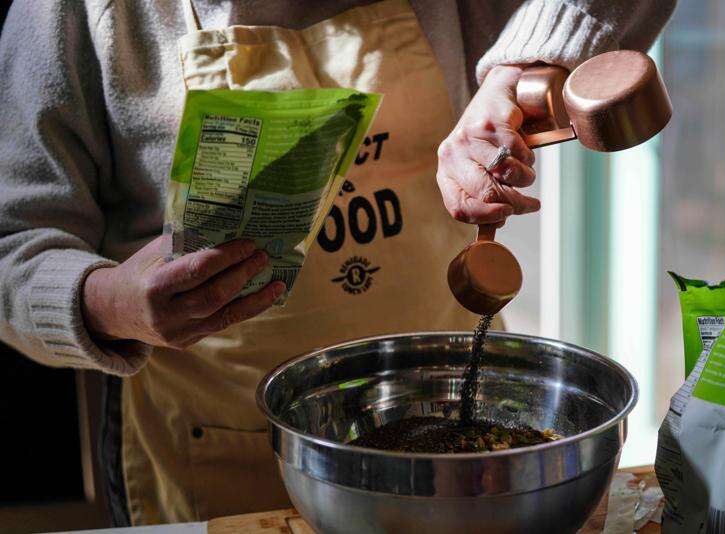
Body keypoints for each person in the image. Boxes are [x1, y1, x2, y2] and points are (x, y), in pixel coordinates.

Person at [0, 0, 676, 526]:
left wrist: (517, 73)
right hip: (215, 454)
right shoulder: (75, 16)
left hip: (453, 438)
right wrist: (112, 302)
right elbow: (12, 244)